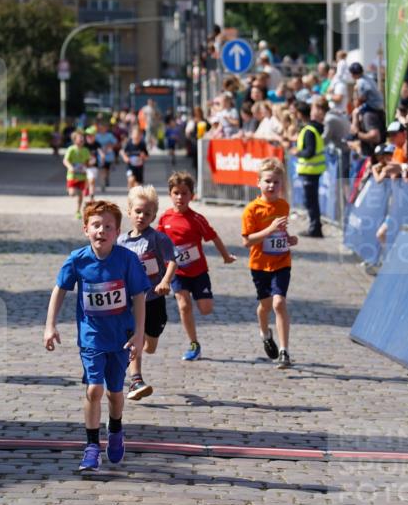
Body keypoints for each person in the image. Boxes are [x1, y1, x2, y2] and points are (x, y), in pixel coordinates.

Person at [43, 200, 150, 471]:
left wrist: (139, 334)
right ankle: (91, 446)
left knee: (115, 393)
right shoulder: (77, 259)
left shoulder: (127, 260)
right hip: (91, 337)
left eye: (108, 227)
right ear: (85, 229)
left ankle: (115, 430)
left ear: (117, 232)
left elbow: (139, 296)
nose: (102, 230)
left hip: (121, 337)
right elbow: (59, 290)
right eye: (96, 225)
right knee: (94, 389)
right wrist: (50, 325)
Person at [157, 170, 236, 361]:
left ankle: (204, 299)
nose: (180, 197)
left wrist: (225, 256)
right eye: (176, 193)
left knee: (205, 309)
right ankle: (194, 344)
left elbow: (213, 236)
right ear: (170, 195)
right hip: (177, 272)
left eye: (184, 193)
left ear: (192, 196)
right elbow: (157, 243)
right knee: (184, 306)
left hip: (199, 271)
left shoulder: (196, 219)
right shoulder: (165, 219)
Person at [118, 185, 177, 399]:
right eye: (138, 211)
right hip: (133, 301)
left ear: (153, 215)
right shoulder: (122, 241)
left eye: (147, 213)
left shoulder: (158, 239)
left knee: (150, 345)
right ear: (129, 212)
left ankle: (143, 351)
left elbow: (172, 262)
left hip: (154, 299)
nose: (142, 216)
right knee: (137, 339)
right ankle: (136, 380)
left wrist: (165, 281)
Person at [241, 157, 298, 369]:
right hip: (259, 265)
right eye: (267, 181)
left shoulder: (284, 205)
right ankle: (265, 333)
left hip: (282, 262)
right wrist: (269, 229)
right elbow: (247, 241)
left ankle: (284, 351)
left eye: (276, 182)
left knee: (279, 303)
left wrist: (290, 238)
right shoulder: (251, 210)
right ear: (258, 183)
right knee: (265, 306)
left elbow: (282, 232)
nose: (272, 185)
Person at [293, 101, 326, 238]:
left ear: (300, 114)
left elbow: (309, 152)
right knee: (311, 201)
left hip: (310, 171)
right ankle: (315, 226)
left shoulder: (308, 131)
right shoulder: (311, 129)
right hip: (311, 171)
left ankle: (315, 228)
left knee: (311, 202)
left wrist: (297, 152)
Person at [63, 129, 91, 217]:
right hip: (72, 176)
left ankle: (78, 211)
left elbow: (87, 162)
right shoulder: (71, 149)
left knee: (80, 194)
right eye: (80, 138)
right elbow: (65, 160)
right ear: (74, 140)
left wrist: (86, 167)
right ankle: (70, 191)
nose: (82, 140)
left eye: (83, 138)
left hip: (82, 176)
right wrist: (70, 167)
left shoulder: (86, 150)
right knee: (72, 194)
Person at [94, 113, 119, 192]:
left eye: (104, 128)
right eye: (101, 128)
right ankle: (102, 183)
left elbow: (116, 143)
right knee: (102, 169)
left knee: (107, 170)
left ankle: (106, 178)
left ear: (106, 128)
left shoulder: (109, 135)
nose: (102, 129)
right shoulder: (97, 136)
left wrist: (109, 146)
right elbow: (94, 145)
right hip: (100, 155)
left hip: (108, 155)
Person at [121, 124, 148, 189]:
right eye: (135, 135)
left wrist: (143, 156)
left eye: (138, 135)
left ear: (141, 136)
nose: (136, 137)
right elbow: (122, 152)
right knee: (131, 179)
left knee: (138, 186)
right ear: (132, 135)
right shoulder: (129, 144)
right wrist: (125, 158)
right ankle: (130, 190)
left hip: (139, 167)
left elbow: (147, 156)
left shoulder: (142, 144)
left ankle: (133, 193)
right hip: (130, 166)